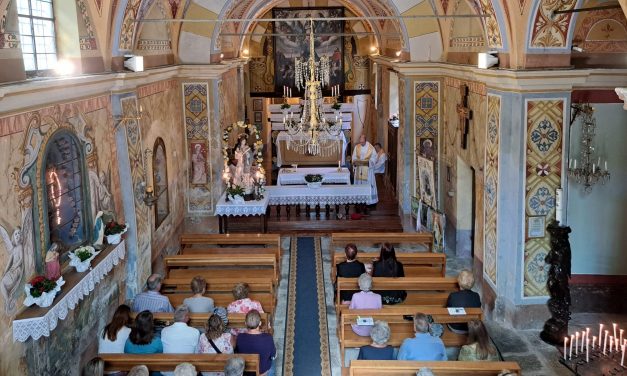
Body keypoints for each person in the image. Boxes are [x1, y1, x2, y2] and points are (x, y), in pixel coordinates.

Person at [235, 310, 276, 376]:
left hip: (246, 371)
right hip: (263, 372)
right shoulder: (268, 337)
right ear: (260, 323)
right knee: (273, 360)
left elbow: (237, 352)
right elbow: (273, 355)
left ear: (245, 323)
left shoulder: (239, 337)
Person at [351, 134, 378, 205]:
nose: (361, 144)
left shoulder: (371, 148)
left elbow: (374, 157)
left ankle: (369, 200)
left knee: (367, 184)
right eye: (360, 142)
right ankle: (359, 199)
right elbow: (353, 157)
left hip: (367, 170)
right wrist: (355, 162)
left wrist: (369, 162)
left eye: (362, 142)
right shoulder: (357, 147)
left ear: (365, 141)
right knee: (359, 184)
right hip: (359, 169)